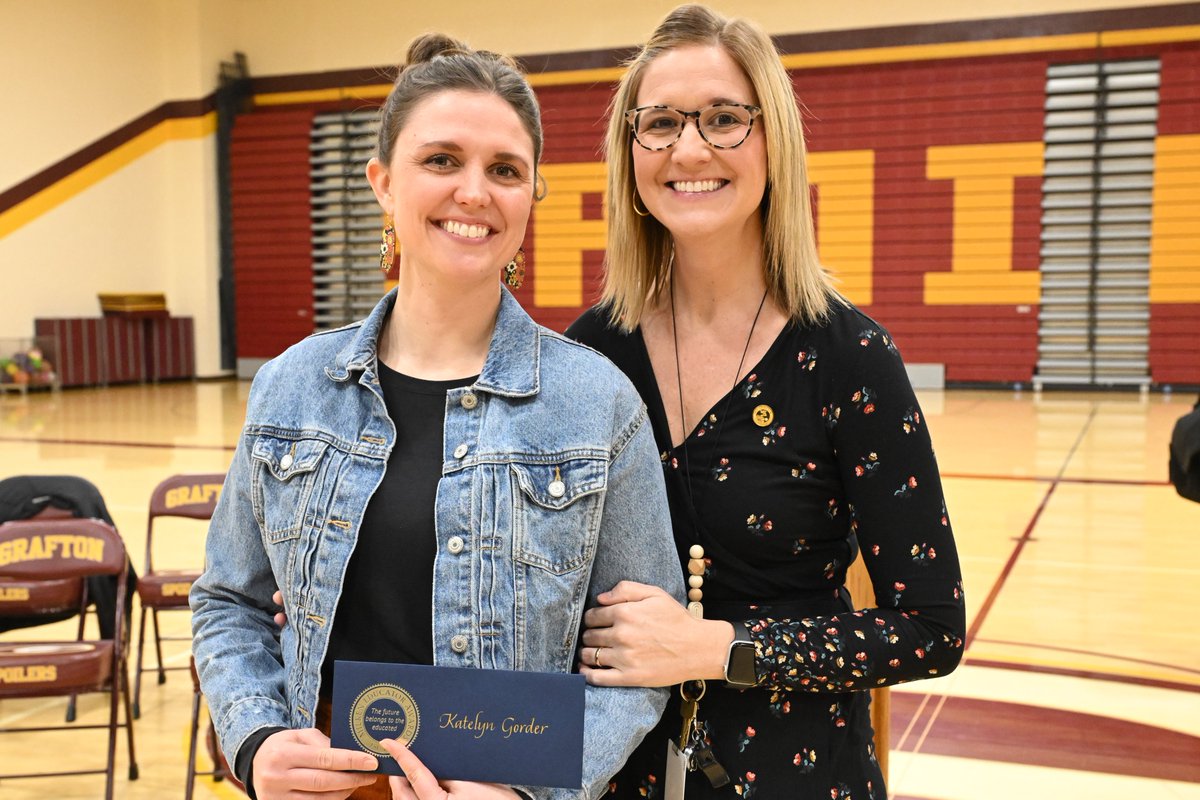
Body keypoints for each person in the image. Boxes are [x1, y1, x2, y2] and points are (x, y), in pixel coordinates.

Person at [191, 34, 683, 800]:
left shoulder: (598, 403)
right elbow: (229, 600)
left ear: (530, 198)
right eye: (442, 160)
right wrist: (254, 741)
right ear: (383, 183)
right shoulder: (291, 388)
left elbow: (640, 663)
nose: (475, 192)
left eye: (506, 170)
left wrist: (530, 791)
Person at [566, 5, 966, 797]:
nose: (689, 148)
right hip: (613, 775)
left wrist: (718, 649)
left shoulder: (848, 357)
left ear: (773, 141)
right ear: (630, 153)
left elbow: (930, 631)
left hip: (798, 773)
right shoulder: (590, 354)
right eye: (659, 124)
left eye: (723, 119)